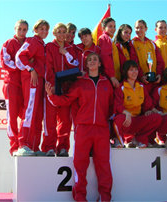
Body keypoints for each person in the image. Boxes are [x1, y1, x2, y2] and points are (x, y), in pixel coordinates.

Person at [45, 53, 113, 201]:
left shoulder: (106, 83)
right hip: (83, 128)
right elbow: (66, 100)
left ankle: (105, 197)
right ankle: (80, 197)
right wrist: (51, 96)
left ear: (100, 64)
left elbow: (112, 107)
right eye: (89, 60)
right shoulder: (81, 83)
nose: (92, 62)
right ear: (86, 65)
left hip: (102, 129)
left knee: (104, 165)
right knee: (80, 165)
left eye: (95, 59)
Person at [41, 23, 79, 157]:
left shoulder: (70, 48)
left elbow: (75, 65)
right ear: (54, 33)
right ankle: (49, 147)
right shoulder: (50, 47)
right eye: (59, 32)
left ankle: (62, 147)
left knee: (65, 121)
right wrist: (51, 85)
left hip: (67, 90)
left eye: (64, 32)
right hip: (52, 88)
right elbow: (48, 67)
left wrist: (66, 53)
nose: (62, 35)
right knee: (50, 120)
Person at [15, 19, 50, 156]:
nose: (44, 31)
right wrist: (31, 69)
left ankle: (34, 147)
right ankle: (23, 144)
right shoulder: (32, 41)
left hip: (40, 81)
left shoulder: (42, 44)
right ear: (35, 30)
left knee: (38, 114)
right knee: (29, 112)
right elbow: (19, 57)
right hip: (32, 80)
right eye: (41, 29)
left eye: (46, 29)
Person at [113, 60, 162, 148]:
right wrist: (126, 112)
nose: (134, 72)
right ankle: (118, 140)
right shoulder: (121, 87)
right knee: (118, 119)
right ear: (126, 72)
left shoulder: (141, 87)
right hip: (126, 121)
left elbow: (148, 104)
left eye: (136, 70)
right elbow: (117, 105)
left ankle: (139, 139)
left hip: (137, 121)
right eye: (131, 70)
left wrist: (152, 111)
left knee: (157, 117)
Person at [0, 19, 28, 156]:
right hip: (11, 84)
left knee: (26, 115)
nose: (22, 32)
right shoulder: (8, 43)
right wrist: (23, 65)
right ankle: (14, 146)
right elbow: (6, 62)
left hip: (26, 86)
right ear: (15, 29)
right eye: (20, 29)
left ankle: (24, 144)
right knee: (11, 117)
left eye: (24, 30)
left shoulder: (29, 43)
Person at [132, 19, 165, 95]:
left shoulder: (152, 44)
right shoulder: (132, 43)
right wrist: (140, 76)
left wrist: (159, 74)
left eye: (141, 27)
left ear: (146, 29)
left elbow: (160, 61)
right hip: (140, 80)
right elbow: (134, 61)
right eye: (137, 28)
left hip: (154, 81)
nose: (139, 30)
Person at [98, 17, 120, 88]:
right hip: (109, 78)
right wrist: (112, 76)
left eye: (114, 26)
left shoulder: (110, 39)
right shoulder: (105, 38)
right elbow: (105, 57)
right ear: (103, 28)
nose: (113, 29)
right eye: (110, 26)